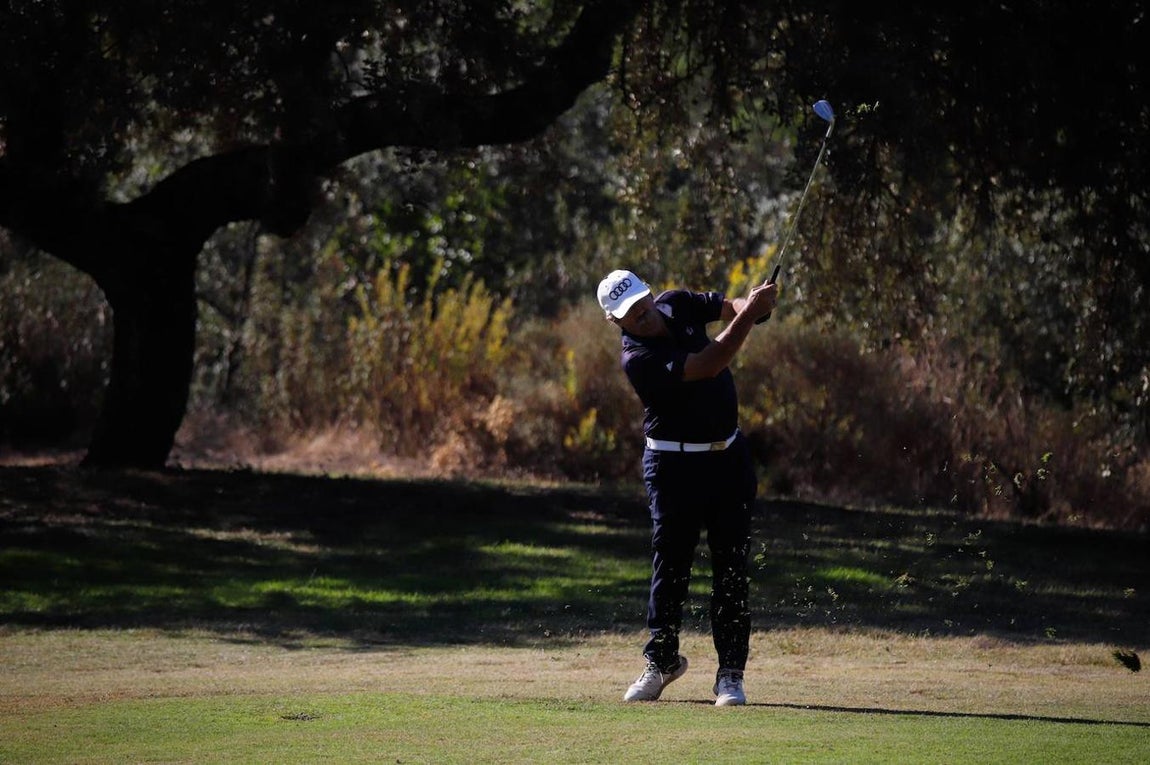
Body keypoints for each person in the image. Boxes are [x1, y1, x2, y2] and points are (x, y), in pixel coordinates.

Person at [596, 268, 778, 707]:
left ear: (650, 294)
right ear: (615, 321)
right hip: (672, 466)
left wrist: (750, 306)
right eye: (629, 315)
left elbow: (726, 307)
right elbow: (710, 363)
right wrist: (749, 317)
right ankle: (661, 662)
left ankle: (730, 674)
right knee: (671, 567)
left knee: (731, 567)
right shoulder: (637, 358)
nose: (642, 317)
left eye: (642, 305)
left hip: (728, 460)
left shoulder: (676, 302)